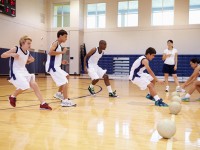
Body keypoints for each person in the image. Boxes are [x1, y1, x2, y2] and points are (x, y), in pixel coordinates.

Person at [1, 35, 52, 110]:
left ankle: (43, 103)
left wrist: (30, 60)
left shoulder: (27, 52)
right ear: (23, 43)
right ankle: (12, 96)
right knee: (25, 85)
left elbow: (25, 61)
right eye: (28, 43)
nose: (30, 45)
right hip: (16, 71)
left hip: (23, 71)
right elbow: (2, 55)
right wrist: (12, 54)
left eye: (30, 43)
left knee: (34, 85)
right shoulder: (16, 49)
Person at [46, 29, 76, 107]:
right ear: (60, 36)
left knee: (66, 76)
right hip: (52, 67)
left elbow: (54, 56)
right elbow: (50, 52)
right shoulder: (55, 43)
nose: (66, 38)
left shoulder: (59, 45)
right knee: (64, 82)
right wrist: (63, 52)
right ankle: (65, 101)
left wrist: (62, 62)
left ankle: (59, 94)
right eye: (65, 37)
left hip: (56, 66)